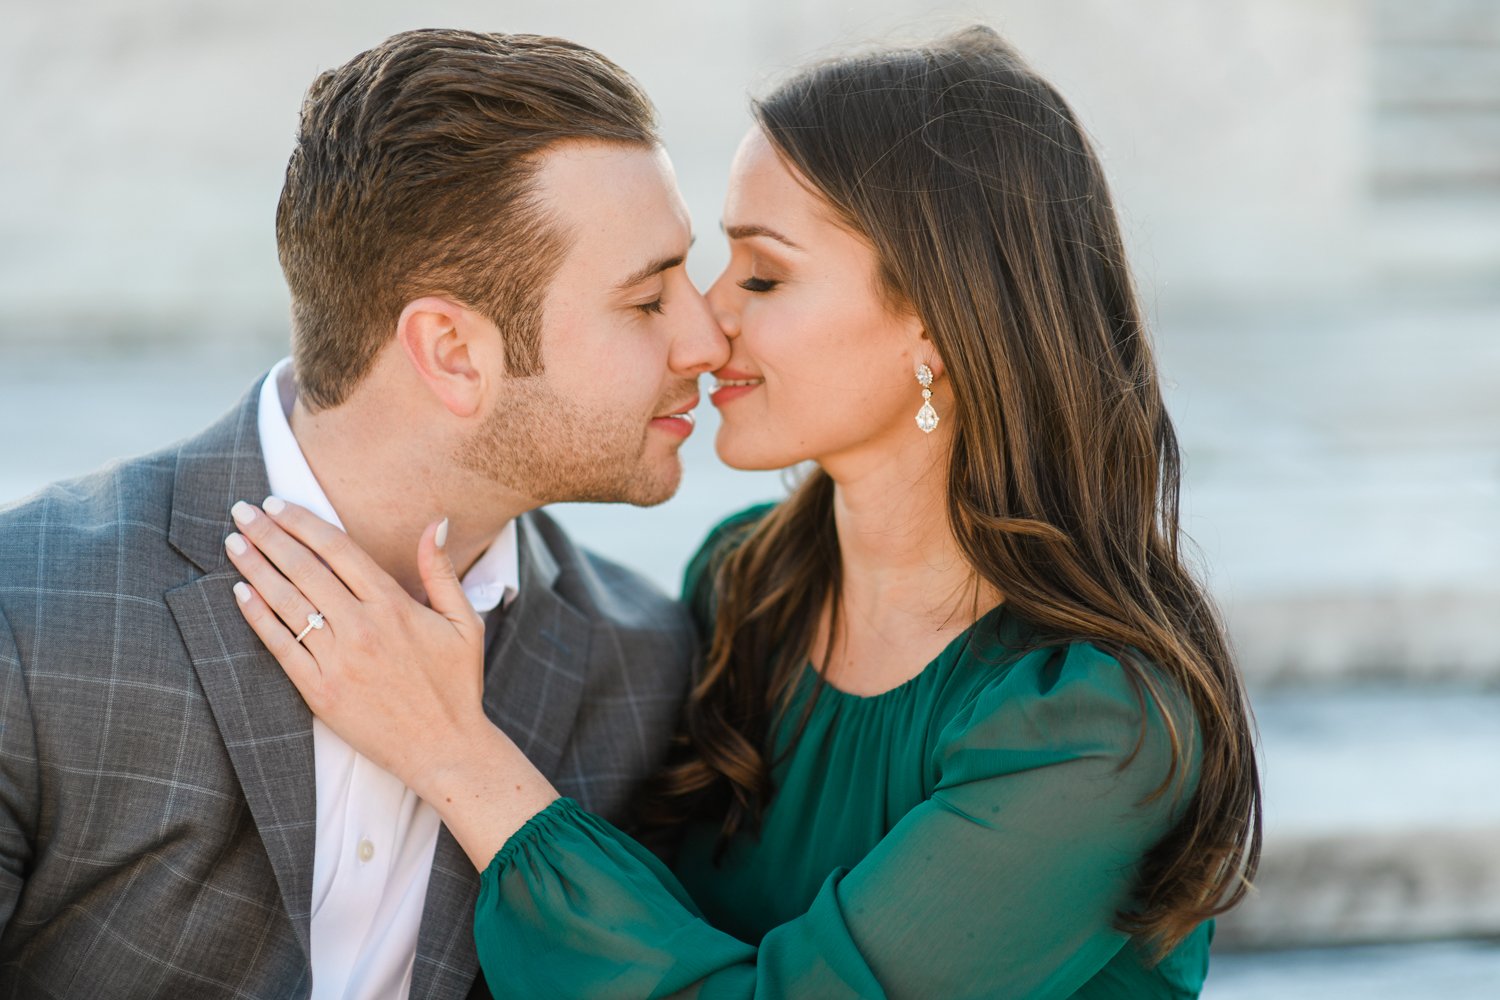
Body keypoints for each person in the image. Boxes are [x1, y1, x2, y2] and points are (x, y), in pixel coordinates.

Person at [227, 25, 1263, 999]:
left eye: (762, 275)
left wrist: (457, 757)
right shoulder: (747, 584)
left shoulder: (1093, 721)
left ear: (939, 325)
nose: (706, 322)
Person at [0, 28, 728, 999]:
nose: (710, 338)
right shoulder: (31, 619)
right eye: (647, 300)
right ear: (453, 351)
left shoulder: (641, 667)